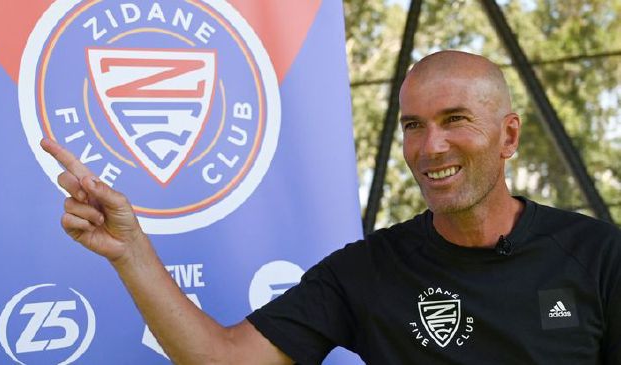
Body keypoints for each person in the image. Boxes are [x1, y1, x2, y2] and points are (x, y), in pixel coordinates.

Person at [41, 50, 620, 364]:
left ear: (509, 137)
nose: (430, 146)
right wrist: (131, 252)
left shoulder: (597, 255)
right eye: (413, 126)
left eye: (455, 120)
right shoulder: (369, 269)